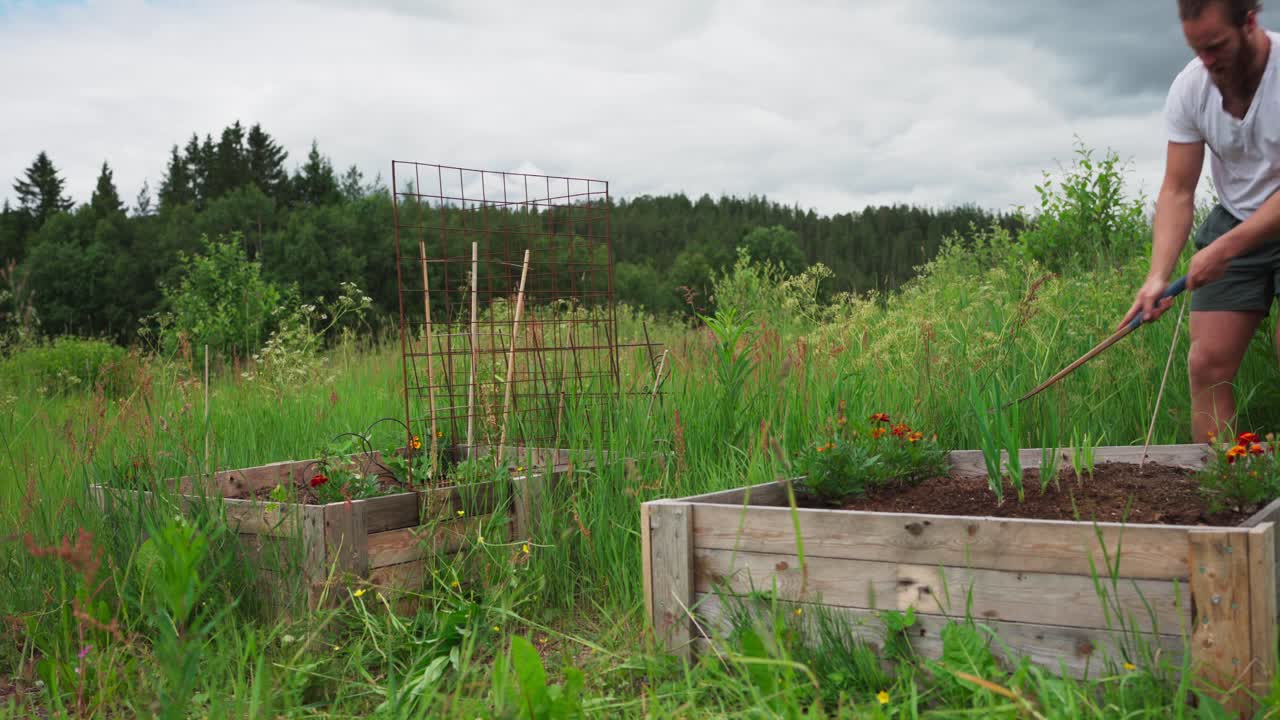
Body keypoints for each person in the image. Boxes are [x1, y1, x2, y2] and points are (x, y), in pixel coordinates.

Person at [1122, 0, 1280, 442]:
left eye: (1215, 46)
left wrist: (1225, 248)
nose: (1206, 62)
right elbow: (1177, 189)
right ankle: (1222, 490)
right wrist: (1157, 277)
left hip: (1250, 229)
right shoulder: (1191, 88)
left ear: (1249, 21)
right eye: (1196, 48)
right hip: (1236, 218)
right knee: (1206, 363)